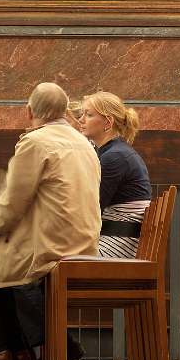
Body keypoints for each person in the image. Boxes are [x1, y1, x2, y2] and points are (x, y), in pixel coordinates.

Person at [0, 82, 102, 360]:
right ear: (65, 112)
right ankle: (21, 349)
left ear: (29, 111)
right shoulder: (85, 144)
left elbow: (12, 203)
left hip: (47, 243)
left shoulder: (35, 141)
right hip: (82, 240)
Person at [74, 92, 152, 259]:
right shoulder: (116, 152)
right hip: (119, 240)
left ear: (108, 122)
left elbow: (92, 209)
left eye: (88, 115)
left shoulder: (114, 157)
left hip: (117, 246)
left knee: (48, 253)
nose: (80, 120)